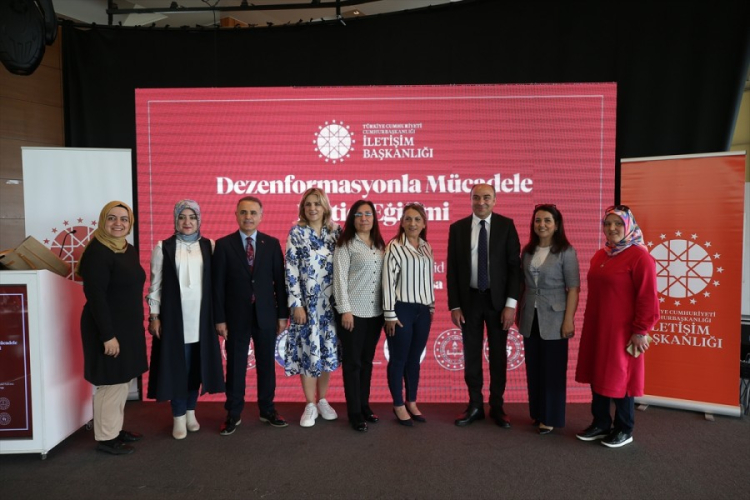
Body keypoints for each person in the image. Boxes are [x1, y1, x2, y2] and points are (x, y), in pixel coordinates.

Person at [575, 205, 660, 448]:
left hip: (623, 331)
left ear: (629, 226)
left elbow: (648, 298)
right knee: (597, 373)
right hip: (597, 327)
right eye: (607, 223)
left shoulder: (640, 257)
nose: (611, 228)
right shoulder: (600, 255)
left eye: (618, 224)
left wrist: (641, 330)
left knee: (622, 377)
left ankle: (624, 428)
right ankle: (601, 423)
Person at [146, 200, 225, 439]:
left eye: (192, 217)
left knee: (196, 368)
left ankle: (191, 411)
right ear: (176, 220)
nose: (187, 222)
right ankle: (178, 416)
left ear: (199, 219)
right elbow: (155, 285)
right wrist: (154, 316)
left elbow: (217, 285)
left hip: (202, 319)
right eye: (182, 217)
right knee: (178, 368)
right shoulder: (163, 247)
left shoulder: (210, 246)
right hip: (174, 320)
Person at [213, 196, 289, 436]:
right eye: (244, 212)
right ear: (236, 215)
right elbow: (217, 287)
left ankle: (268, 410)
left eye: (253, 213)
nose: (248, 217)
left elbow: (280, 283)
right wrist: (219, 319)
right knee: (235, 366)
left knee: (267, 365)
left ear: (261, 216)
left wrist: (282, 315)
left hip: (266, 315)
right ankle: (233, 413)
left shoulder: (272, 244)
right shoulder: (223, 245)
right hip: (235, 317)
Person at [447, 183, 521, 428]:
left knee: (498, 356)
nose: (481, 202)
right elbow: (452, 270)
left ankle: (497, 406)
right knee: (471, 355)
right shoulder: (457, 228)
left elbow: (514, 268)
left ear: (495, 200)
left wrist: (511, 304)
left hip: (498, 302)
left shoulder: (506, 226)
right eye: (476, 197)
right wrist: (454, 305)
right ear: (470, 200)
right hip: (469, 301)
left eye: (486, 197)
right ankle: (475, 405)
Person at [77, 201, 148, 455]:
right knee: (110, 383)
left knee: (122, 380)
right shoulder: (97, 251)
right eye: (112, 218)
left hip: (127, 327)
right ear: (103, 221)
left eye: (124, 219)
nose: (118, 223)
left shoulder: (127, 249)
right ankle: (106, 438)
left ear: (130, 223)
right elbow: (96, 297)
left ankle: (115, 429)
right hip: (106, 328)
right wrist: (107, 336)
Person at [517, 204, 580, 435]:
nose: (541, 225)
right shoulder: (528, 250)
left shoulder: (566, 251)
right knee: (534, 368)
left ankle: (550, 416)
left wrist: (568, 319)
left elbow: (573, 289)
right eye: (538, 220)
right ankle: (538, 412)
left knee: (553, 370)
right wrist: (519, 312)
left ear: (556, 225)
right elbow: (523, 285)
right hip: (530, 316)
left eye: (547, 221)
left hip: (555, 318)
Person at [285, 187, 342, 427]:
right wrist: (296, 304)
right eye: (308, 204)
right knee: (308, 352)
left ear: (325, 206)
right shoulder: (297, 232)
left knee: (326, 352)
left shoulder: (337, 232)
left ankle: (323, 400)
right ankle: (310, 404)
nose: (312, 208)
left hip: (331, 306)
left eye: (317, 203)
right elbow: (291, 270)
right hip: (307, 307)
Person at [333, 200, 386, 432]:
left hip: (376, 314)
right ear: (352, 219)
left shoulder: (380, 245)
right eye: (358, 214)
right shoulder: (345, 245)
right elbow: (339, 280)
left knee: (366, 362)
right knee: (352, 364)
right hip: (352, 314)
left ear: (374, 218)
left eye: (368, 214)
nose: (364, 218)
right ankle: (354, 413)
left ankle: (364, 405)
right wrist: (345, 310)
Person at [382, 202, 434, 427]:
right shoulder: (394, 246)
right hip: (400, 309)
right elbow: (387, 282)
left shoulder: (426, 247)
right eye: (408, 219)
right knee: (399, 359)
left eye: (417, 219)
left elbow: (428, 280)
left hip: (423, 311)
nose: (413, 223)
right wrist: (389, 314)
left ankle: (411, 401)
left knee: (414, 359)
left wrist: (431, 307)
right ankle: (398, 404)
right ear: (402, 223)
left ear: (424, 224)